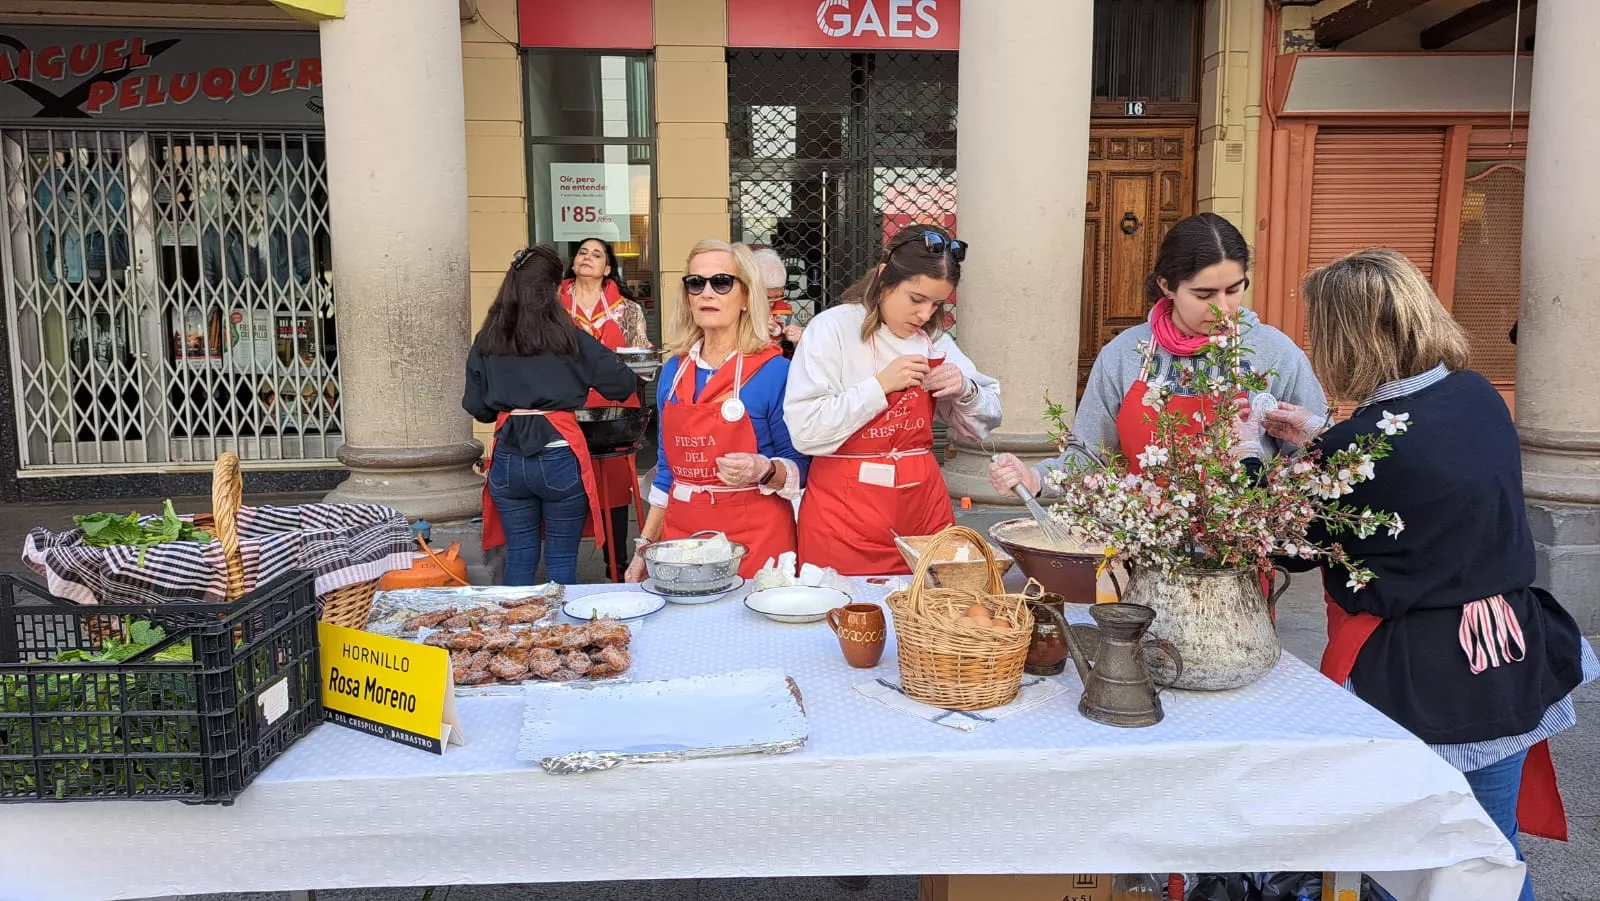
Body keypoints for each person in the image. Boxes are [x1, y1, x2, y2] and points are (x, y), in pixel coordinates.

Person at [1265, 249, 1595, 901]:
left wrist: (1255, 454)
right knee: (1491, 854)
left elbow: (1286, 543)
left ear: (1348, 338)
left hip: (1424, 677)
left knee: (1410, 856)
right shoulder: (1475, 394)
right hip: (1508, 650)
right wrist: (1324, 439)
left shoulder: (1356, 447)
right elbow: (1419, 467)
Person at [989, 212, 1326, 497]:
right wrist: (1036, 479)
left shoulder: (1276, 353)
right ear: (1167, 286)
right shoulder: (1124, 354)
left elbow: (1319, 457)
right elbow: (1091, 456)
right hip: (1140, 539)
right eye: (1204, 294)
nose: (1223, 308)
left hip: (1238, 546)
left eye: (1234, 290)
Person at [785, 224, 1001, 576]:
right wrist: (879, 386)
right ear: (885, 277)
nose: (925, 315)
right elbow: (805, 431)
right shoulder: (832, 329)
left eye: (936, 304)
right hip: (843, 520)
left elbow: (984, 424)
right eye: (916, 299)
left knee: (928, 605)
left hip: (922, 515)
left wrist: (966, 389)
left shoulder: (934, 341)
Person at [624, 240, 807, 583]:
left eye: (721, 282)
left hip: (756, 541)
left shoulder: (775, 372)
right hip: (684, 542)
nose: (706, 292)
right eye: (696, 283)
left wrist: (764, 469)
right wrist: (644, 547)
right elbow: (667, 471)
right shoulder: (673, 372)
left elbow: (802, 467)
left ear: (746, 296)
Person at [464, 245, 638, 585]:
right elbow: (622, 384)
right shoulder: (570, 337)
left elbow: (478, 408)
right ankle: (560, 620)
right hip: (559, 454)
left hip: (508, 458)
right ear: (555, 288)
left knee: (520, 556)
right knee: (561, 560)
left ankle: (518, 619)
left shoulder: (487, 338)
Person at [560, 237, 651, 580]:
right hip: (565, 409)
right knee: (566, 489)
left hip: (613, 414)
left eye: (596, 254)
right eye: (582, 252)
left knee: (613, 492)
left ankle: (617, 568)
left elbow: (642, 356)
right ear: (573, 263)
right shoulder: (552, 306)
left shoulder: (628, 310)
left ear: (608, 268)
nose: (587, 257)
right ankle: (563, 571)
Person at [752, 247, 803, 357]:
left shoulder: (784, 311)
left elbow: (798, 350)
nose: (772, 303)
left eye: (778, 296)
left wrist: (798, 339)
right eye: (768, 297)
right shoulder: (739, 307)